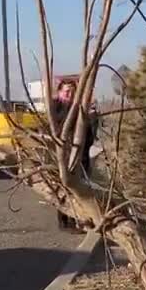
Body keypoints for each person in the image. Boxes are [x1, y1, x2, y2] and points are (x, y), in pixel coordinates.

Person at [50, 78, 95, 230]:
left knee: (79, 188)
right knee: (64, 188)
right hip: (64, 153)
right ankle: (65, 220)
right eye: (66, 91)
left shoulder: (80, 108)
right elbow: (55, 128)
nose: (69, 94)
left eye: (72, 91)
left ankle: (78, 218)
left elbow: (89, 133)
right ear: (60, 92)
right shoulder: (55, 107)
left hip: (80, 154)